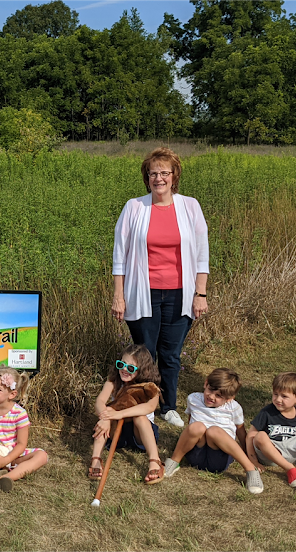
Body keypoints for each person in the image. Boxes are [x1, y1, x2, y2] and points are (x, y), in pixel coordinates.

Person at [112, 147, 209, 428]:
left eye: (164, 172)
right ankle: (144, 405)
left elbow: (202, 254)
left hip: (180, 294)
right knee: (144, 353)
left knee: (170, 354)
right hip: (143, 293)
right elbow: (119, 256)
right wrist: (119, 296)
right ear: (147, 177)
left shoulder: (190, 206)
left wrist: (200, 293)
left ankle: (168, 406)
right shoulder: (134, 207)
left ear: (174, 175)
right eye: (153, 173)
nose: (159, 178)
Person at [163, 368, 263, 494]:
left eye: (219, 396)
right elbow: (190, 423)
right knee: (197, 427)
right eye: (210, 390)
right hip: (195, 454)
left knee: (214, 431)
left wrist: (250, 456)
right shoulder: (193, 399)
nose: (211, 396)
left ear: (229, 398)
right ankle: (174, 461)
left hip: (219, 458)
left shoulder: (234, 408)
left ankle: (250, 470)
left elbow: (241, 432)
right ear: (206, 383)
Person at [87, 344, 164, 484]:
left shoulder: (150, 387)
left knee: (139, 417)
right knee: (107, 411)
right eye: (121, 364)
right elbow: (99, 401)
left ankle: (154, 460)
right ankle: (96, 458)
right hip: (117, 431)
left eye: (130, 368)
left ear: (142, 370)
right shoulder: (113, 381)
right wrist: (105, 416)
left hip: (140, 433)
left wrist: (118, 413)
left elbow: (149, 407)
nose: (124, 369)